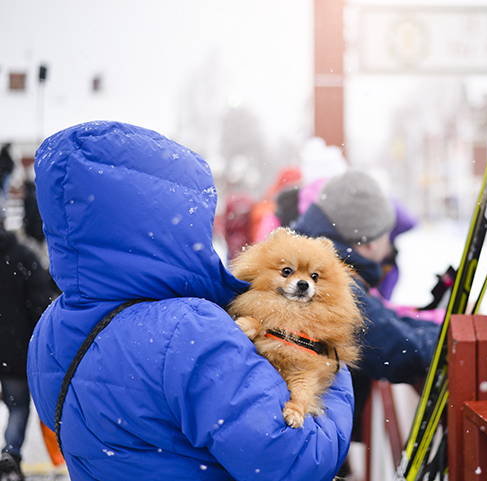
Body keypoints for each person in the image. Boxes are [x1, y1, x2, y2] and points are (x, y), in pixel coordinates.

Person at [26, 121, 354, 481]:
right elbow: (297, 461)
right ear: (175, 221)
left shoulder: (50, 328)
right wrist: (328, 366)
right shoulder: (189, 328)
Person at [292, 171, 441, 443]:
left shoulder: (306, 259)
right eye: (388, 235)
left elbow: (380, 320)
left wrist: (428, 326)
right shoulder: (329, 282)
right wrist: (445, 340)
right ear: (370, 242)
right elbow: (400, 352)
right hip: (301, 442)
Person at [0, 197, 55, 481]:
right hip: (15, 348)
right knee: (18, 405)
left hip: (11, 344)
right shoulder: (23, 255)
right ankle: (10, 455)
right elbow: (39, 305)